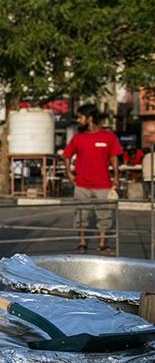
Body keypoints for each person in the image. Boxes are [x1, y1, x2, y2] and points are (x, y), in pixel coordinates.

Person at [63, 104, 121, 255]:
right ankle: (82, 242)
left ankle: (102, 244)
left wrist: (116, 176)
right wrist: (69, 173)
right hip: (82, 185)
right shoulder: (78, 138)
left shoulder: (108, 137)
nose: (78, 120)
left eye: (80, 117)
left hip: (104, 185)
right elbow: (67, 155)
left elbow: (114, 157)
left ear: (89, 118)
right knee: (81, 215)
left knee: (105, 215)